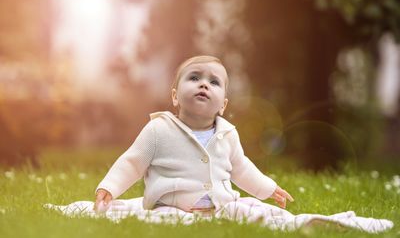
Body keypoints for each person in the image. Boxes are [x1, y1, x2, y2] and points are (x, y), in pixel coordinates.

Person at [93, 55, 294, 214]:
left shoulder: (227, 134)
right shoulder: (159, 129)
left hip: (221, 207)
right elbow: (132, 162)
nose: (204, 84)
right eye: (194, 78)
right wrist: (110, 187)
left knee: (254, 210)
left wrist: (268, 188)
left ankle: (304, 223)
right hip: (170, 206)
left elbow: (241, 168)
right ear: (175, 96)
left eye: (214, 82)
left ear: (223, 106)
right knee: (165, 219)